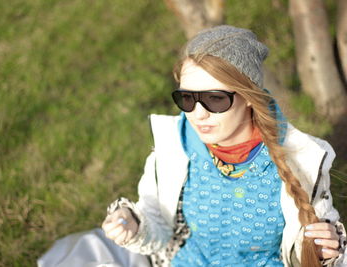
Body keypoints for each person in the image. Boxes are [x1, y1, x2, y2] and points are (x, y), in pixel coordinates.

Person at [38, 25, 346, 267]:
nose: (198, 114)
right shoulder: (177, 143)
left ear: (250, 97)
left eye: (214, 98)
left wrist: (325, 252)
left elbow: (311, 252)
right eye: (187, 98)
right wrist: (135, 225)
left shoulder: (302, 159)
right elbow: (159, 227)